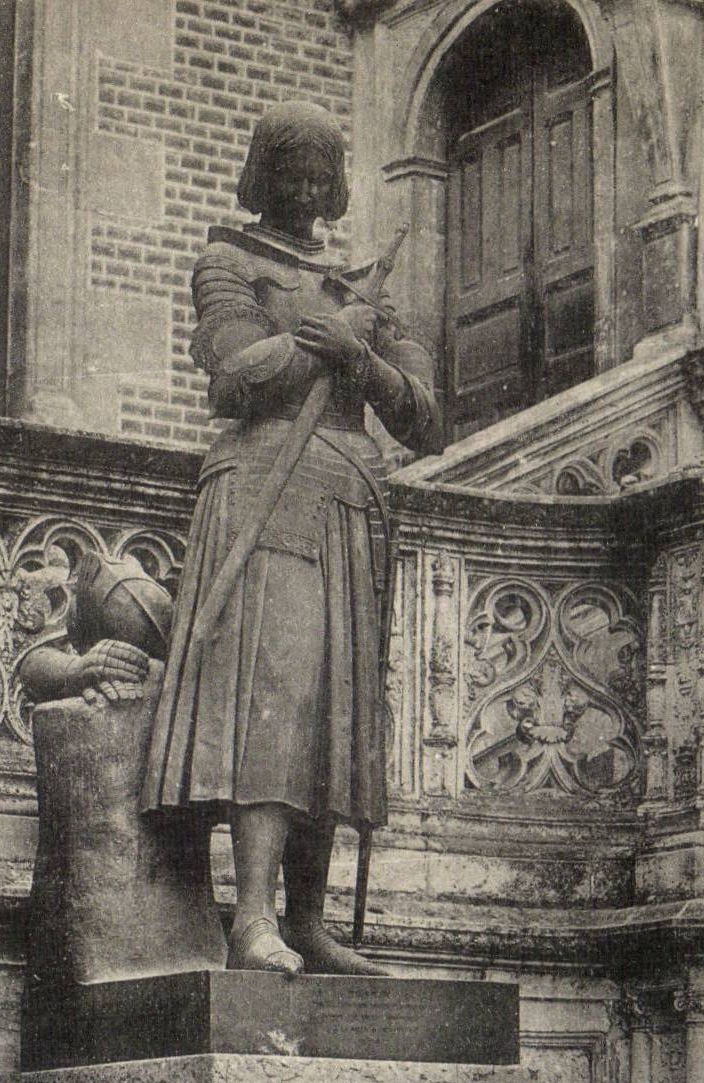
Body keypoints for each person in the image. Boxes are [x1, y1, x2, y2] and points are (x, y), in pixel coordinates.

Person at [141, 101, 440, 975]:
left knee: (336, 713)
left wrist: (363, 361)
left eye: (321, 177)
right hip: (265, 490)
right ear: (262, 176)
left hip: (351, 501)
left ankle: (309, 920)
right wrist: (315, 348)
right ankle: (252, 918)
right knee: (274, 703)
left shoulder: (366, 282)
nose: (308, 192)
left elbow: (424, 419)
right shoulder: (228, 260)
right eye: (292, 175)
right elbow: (230, 374)